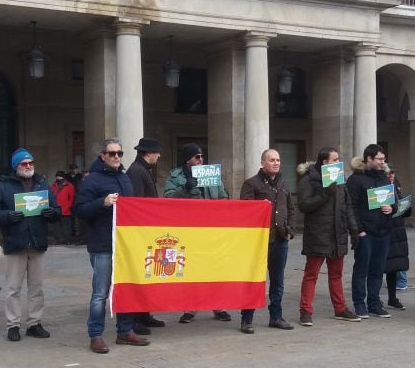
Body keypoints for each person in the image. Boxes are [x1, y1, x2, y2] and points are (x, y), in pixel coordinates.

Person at [75, 138, 149, 353]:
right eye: (112, 153)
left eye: (119, 153)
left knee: (124, 288)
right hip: (102, 244)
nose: (116, 156)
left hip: (124, 245)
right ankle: (95, 335)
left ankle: (125, 331)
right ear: (103, 156)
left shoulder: (125, 179)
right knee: (100, 293)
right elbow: (80, 209)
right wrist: (102, 203)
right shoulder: (92, 180)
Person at [0, 149, 61, 342]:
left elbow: (57, 210)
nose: (28, 167)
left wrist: (52, 213)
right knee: (13, 288)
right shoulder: (3, 186)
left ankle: (34, 323)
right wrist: (7, 216)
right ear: (16, 166)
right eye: (24, 164)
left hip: (37, 242)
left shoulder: (42, 184)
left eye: (31, 163)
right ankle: (13, 324)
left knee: (37, 287)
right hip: (14, 242)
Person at [165, 142, 233, 325]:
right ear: (188, 159)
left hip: (211, 229)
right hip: (188, 230)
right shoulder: (175, 176)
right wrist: (184, 188)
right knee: (191, 268)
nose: (201, 159)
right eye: (197, 157)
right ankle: (190, 307)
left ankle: (218, 306)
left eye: (202, 156)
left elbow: (224, 196)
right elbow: (167, 199)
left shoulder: (211, 174)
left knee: (215, 268)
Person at [296, 148, 361, 326]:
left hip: (337, 234)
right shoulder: (308, 180)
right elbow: (304, 205)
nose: (338, 162)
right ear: (325, 162)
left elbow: (347, 207)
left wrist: (354, 230)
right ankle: (305, 311)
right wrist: (325, 194)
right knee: (311, 275)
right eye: (335, 160)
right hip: (318, 235)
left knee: (336, 274)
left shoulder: (340, 181)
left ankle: (340, 309)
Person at [239, 148, 295, 333]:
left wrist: (290, 229)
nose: (276, 163)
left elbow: (290, 208)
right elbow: (245, 213)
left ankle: (276, 317)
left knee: (278, 281)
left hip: (280, 239)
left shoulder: (284, 184)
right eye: (272, 160)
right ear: (263, 163)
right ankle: (246, 319)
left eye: (278, 160)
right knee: (254, 280)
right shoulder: (251, 184)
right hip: (258, 242)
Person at [346, 144, 394, 320]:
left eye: (383, 159)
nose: (383, 162)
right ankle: (360, 304)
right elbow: (350, 207)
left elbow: (393, 200)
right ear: (369, 159)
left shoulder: (384, 178)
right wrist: (359, 230)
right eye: (380, 159)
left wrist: (392, 208)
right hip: (366, 233)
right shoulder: (356, 180)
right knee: (361, 269)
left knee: (377, 269)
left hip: (383, 232)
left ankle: (374, 303)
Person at [126, 137, 166, 331]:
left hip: (146, 230)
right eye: (157, 152)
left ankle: (144, 314)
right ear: (148, 153)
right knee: (139, 276)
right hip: (141, 231)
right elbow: (137, 204)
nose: (159, 155)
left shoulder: (142, 170)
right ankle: (136, 319)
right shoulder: (136, 171)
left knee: (147, 275)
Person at [384, 167, 412, 311]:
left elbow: (401, 208)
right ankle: (374, 298)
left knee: (394, 267)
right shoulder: (381, 187)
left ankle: (392, 298)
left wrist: (407, 207)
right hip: (386, 229)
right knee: (380, 266)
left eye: (392, 172)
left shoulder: (396, 186)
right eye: (388, 173)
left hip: (398, 230)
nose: (390, 175)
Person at [49, 171, 75, 246]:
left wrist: (68, 206)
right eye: (57, 176)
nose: (58, 178)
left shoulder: (69, 185)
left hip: (65, 209)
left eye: (60, 177)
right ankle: (58, 239)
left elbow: (72, 198)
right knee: (56, 226)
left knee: (66, 226)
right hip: (56, 209)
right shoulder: (54, 185)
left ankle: (67, 240)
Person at [67, 163, 85, 244]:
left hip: (78, 198)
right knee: (71, 218)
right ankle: (72, 234)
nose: (75, 170)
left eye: (76, 168)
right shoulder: (67, 177)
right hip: (70, 199)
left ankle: (80, 235)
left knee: (80, 218)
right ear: (70, 169)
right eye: (73, 169)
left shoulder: (80, 176)